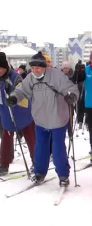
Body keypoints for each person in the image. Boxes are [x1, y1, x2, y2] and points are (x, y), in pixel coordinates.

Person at [9, 51, 79, 187]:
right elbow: (22, 90)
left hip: (58, 119)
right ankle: (39, 172)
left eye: (38, 68)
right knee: (40, 148)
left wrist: (71, 95)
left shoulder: (56, 76)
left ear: (45, 67)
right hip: (40, 120)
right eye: (33, 68)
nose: (35, 71)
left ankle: (63, 175)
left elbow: (71, 88)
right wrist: (14, 97)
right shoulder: (30, 78)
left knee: (58, 149)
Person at [0, 52, 35, 176]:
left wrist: (12, 91)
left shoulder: (15, 77)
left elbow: (23, 92)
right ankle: (4, 165)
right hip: (6, 115)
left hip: (23, 114)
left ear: (6, 66)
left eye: (0, 68)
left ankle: (36, 163)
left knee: (31, 139)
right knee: (5, 140)